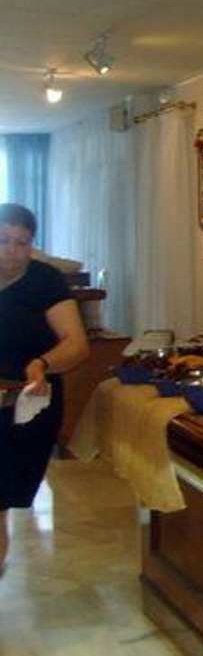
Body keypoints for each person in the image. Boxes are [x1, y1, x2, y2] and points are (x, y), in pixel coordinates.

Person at [1, 203, 90, 571]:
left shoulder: (45, 281)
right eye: (4, 240)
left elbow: (76, 344)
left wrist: (42, 363)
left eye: (21, 243)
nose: (12, 251)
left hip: (26, 405)